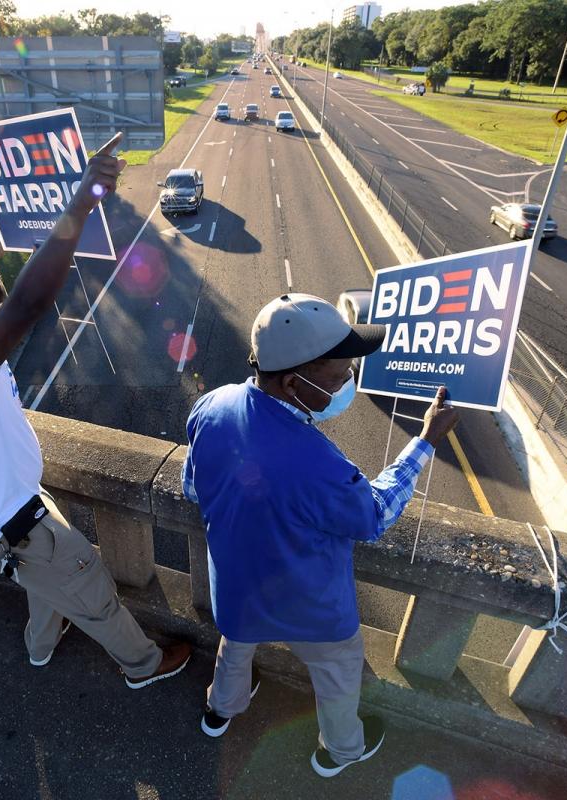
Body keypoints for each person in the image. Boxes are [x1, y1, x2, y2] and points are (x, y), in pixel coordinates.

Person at [0, 133, 191, 686]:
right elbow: (29, 302)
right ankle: (143, 665)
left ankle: (40, 647)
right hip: (15, 523)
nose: (2, 328)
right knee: (93, 592)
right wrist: (83, 199)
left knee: (43, 583)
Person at [182, 293, 461, 777]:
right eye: (339, 377)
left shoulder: (211, 406)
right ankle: (340, 749)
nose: (349, 383)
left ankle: (219, 711)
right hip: (310, 606)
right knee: (336, 677)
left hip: (236, 588)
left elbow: (193, 485)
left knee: (235, 646)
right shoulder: (319, 465)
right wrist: (425, 441)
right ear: (294, 382)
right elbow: (372, 517)